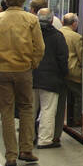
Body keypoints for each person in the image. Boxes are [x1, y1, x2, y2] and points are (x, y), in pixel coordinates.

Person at [0, 0, 44, 166]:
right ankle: (26, 149)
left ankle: (10, 154)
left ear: (7, 1)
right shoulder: (32, 19)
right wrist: (32, 64)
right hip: (24, 71)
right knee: (26, 108)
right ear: (23, 0)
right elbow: (39, 47)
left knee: (7, 111)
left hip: (3, 71)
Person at [32, 8, 69, 149]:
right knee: (48, 110)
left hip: (31, 77)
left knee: (31, 110)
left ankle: (29, 138)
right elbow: (62, 58)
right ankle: (44, 140)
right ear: (52, 20)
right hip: (51, 79)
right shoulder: (57, 36)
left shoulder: (30, 34)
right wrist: (63, 74)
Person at [60, 13, 83, 134]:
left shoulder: (58, 33)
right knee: (80, 95)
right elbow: (82, 56)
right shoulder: (76, 37)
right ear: (74, 24)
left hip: (60, 72)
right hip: (73, 72)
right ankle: (77, 120)